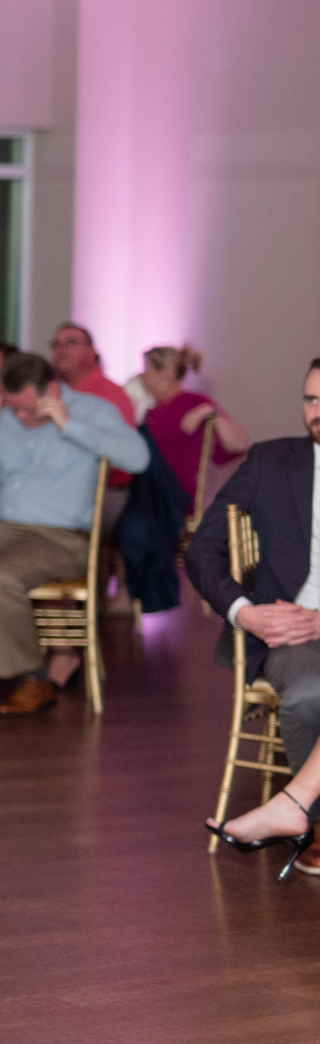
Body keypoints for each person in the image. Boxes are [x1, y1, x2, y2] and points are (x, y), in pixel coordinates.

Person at [0, 351, 149, 715]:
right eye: (16, 409)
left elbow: (138, 459)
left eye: (29, 409)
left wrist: (68, 424)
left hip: (62, 538)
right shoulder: (5, 415)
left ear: (53, 390)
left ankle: (35, 679)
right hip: (0, 532)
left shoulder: (91, 411)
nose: (22, 417)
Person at [190, 359, 320, 878]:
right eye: (311, 400)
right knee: (310, 691)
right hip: (286, 633)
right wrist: (246, 614)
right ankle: (313, 817)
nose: (317, 412)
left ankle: (295, 805)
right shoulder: (272, 462)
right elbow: (203, 549)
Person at [141, 346, 249, 510]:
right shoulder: (150, 412)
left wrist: (210, 412)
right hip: (151, 496)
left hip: (176, 501)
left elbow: (239, 444)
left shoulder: (194, 403)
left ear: (163, 376)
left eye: (146, 370)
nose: (142, 376)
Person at [50, 321, 137, 512]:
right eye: (56, 344)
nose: (62, 349)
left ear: (91, 351)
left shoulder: (111, 395)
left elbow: (119, 456)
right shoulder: (50, 391)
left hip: (102, 492)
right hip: (54, 487)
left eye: (71, 343)